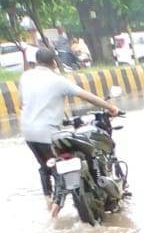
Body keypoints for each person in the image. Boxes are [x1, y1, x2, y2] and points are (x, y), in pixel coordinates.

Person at [19, 47, 119, 203]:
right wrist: (111, 108)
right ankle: (90, 192)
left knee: (46, 167)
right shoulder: (58, 80)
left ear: (37, 61)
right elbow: (88, 97)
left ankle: (48, 201)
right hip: (48, 134)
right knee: (80, 158)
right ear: (54, 63)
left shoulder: (25, 77)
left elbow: (23, 104)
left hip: (28, 134)